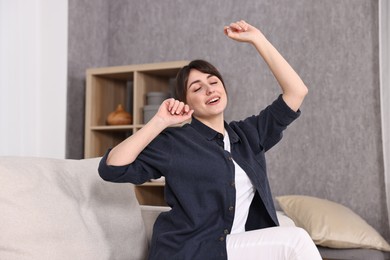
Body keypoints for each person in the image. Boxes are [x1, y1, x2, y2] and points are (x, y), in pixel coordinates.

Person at [98, 20, 322, 260]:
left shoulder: (247, 135)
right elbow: (112, 168)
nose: (209, 89)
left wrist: (258, 39)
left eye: (213, 82)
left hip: (232, 248)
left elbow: (296, 92)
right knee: (295, 240)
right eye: (197, 88)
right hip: (189, 251)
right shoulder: (176, 142)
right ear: (186, 101)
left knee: (287, 233)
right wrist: (159, 121)